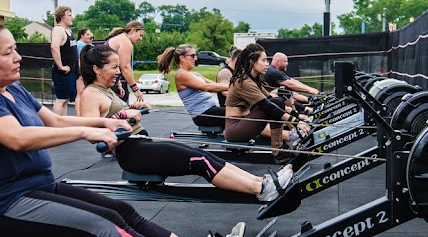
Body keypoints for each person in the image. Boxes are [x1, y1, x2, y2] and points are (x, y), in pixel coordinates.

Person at [0, 20, 242, 237]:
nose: (18, 57)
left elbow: (58, 121)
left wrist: (104, 123)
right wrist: (86, 133)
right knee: (103, 222)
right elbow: (16, 138)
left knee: (122, 212)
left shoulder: (13, 89)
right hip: (4, 206)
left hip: (38, 189)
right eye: (9, 52)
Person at [79, 43, 290, 201]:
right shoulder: (90, 94)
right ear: (97, 69)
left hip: (141, 143)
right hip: (131, 152)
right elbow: (91, 132)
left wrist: (131, 109)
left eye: (118, 66)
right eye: (114, 67)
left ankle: (262, 181)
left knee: (204, 155)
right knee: (199, 161)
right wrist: (122, 116)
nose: (119, 71)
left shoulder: (105, 90)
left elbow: (110, 116)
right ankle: (260, 191)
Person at [225, 43, 309, 153]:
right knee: (273, 104)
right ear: (252, 61)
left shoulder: (253, 80)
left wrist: (296, 118)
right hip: (235, 129)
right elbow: (268, 106)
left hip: (243, 123)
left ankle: (279, 147)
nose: (267, 64)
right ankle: (279, 147)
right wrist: (297, 122)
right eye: (263, 60)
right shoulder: (244, 82)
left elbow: (272, 101)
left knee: (278, 101)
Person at [157, 44, 227, 128]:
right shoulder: (181, 74)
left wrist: (235, 86)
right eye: (192, 56)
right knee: (238, 113)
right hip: (202, 114)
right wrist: (232, 87)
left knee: (239, 111)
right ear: (182, 58)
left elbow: (214, 85)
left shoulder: (194, 74)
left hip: (209, 110)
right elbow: (206, 87)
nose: (196, 58)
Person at [105, 20, 145, 105]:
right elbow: (125, 67)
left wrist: (118, 83)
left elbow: (116, 65)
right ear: (133, 30)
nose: (140, 39)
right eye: (140, 35)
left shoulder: (119, 38)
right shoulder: (125, 42)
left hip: (105, 80)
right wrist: (136, 89)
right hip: (105, 81)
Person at [49, 6, 78, 115]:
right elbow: (54, 47)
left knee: (65, 100)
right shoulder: (58, 30)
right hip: (63, 72)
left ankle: (62, 123)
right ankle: (55, 124)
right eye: (69, 15)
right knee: (61, 99)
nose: (72, 18)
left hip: (71, 72)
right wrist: (60, 66)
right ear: (62, 17)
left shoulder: (68, 31)